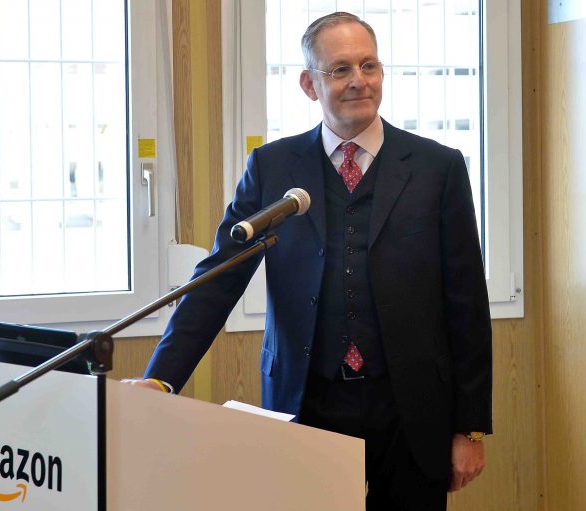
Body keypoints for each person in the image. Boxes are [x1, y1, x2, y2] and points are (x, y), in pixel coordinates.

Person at [126, 12, 492, 511]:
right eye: (340, 69)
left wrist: (469, 427)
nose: (359, 80)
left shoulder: (438, 167)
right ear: (308, 84)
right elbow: (217, 280)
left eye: (369, 65)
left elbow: (466, 303)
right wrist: (162, 377)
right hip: (307, 403)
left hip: (412, 408)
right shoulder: (273, 167)